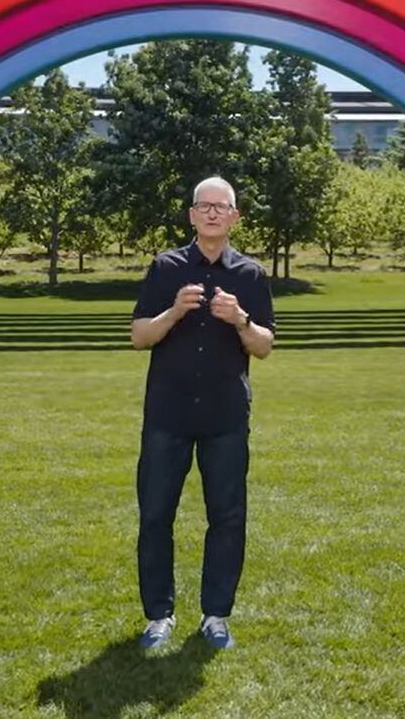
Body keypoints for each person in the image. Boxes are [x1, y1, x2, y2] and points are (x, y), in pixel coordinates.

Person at [128, 176, 276, 651]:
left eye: (222, 207)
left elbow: (265, 346)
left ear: (234, 217)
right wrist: (173, 313)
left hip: (225, 416)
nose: (213, 213)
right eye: (204, 206)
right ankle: (159, 617)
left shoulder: (250, 276)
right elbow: (139, 336)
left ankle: (216, 616)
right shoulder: (165, 267)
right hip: (168, 415)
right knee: (155, 515)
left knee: (228, 517)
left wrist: (240, 320)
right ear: (191, 215)